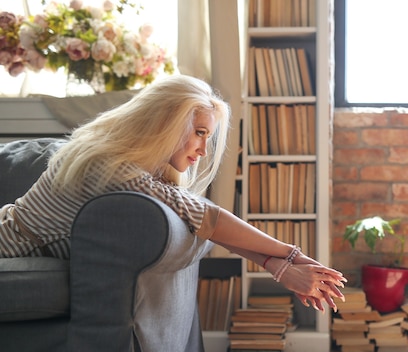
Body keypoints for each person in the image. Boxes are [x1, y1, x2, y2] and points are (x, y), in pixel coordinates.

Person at [0, 74, 345, 312]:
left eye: (207, 136)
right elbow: (207, 218)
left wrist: (279, 265)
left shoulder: (139, 170)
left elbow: (201, 219)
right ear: (166, 124)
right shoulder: (111, 167)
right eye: (198, 132)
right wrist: (290, 257)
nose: (203, 150)